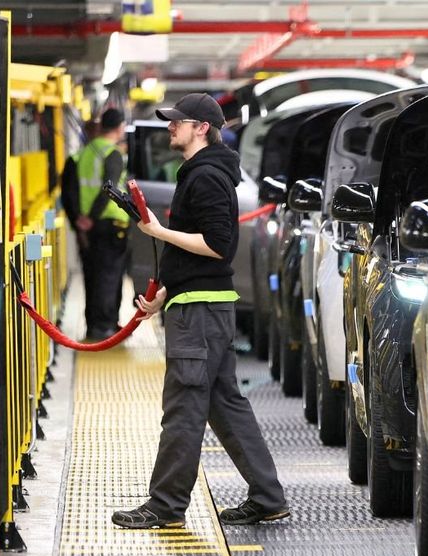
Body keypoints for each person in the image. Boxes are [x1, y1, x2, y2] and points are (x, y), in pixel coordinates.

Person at [111, 93, 289, 529]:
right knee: (224, 403)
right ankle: (267, 496)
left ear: (202, 128)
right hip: (203, 304)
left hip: (201, 313)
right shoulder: (201, 173)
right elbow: (198, 257)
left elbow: (216, 245)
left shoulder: (206, 177)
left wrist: (158, 230)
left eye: (178, 122)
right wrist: (164, 294)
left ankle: (165, 505)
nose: (171, 127)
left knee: (184, 407)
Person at [75, 108, 129, 340]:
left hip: (90, 225)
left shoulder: (85, 152)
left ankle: (94, 323)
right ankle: (104, 326)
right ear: (119, 127)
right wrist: (92, 216)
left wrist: (83, 217)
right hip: (109, 222)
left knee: (94, 275)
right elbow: (109, 190)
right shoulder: (112, 153)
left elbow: (77, 188)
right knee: (110, 276)